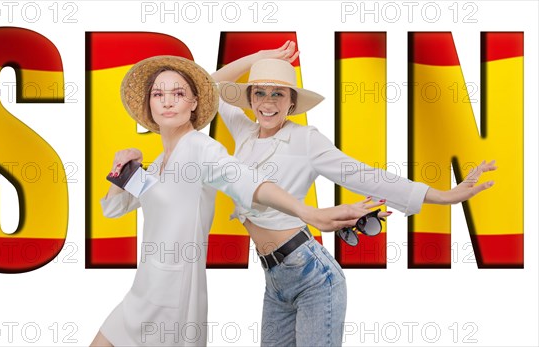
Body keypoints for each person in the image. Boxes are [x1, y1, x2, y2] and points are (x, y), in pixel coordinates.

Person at [212, 41, 497, 346]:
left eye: (278, 94)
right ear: (250, 98)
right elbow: (205, 85)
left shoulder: (305, 140)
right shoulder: (244, 132)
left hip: (312, 276)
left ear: (292, 102)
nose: (268, 103)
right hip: (275, 278)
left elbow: (364, 176)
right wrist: (258, 57)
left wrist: (443, 195)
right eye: (260, 93)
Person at [90, 56, 382, 347]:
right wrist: (121, 167)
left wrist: (306, 211)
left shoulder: (202, 150)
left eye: (178, 94)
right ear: (149, 105)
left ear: (194, 103)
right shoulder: (156, 166)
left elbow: (248, 182)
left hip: (173, 298)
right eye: (158, 94)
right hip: (142, 291)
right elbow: (114, 208)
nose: (167, 102)